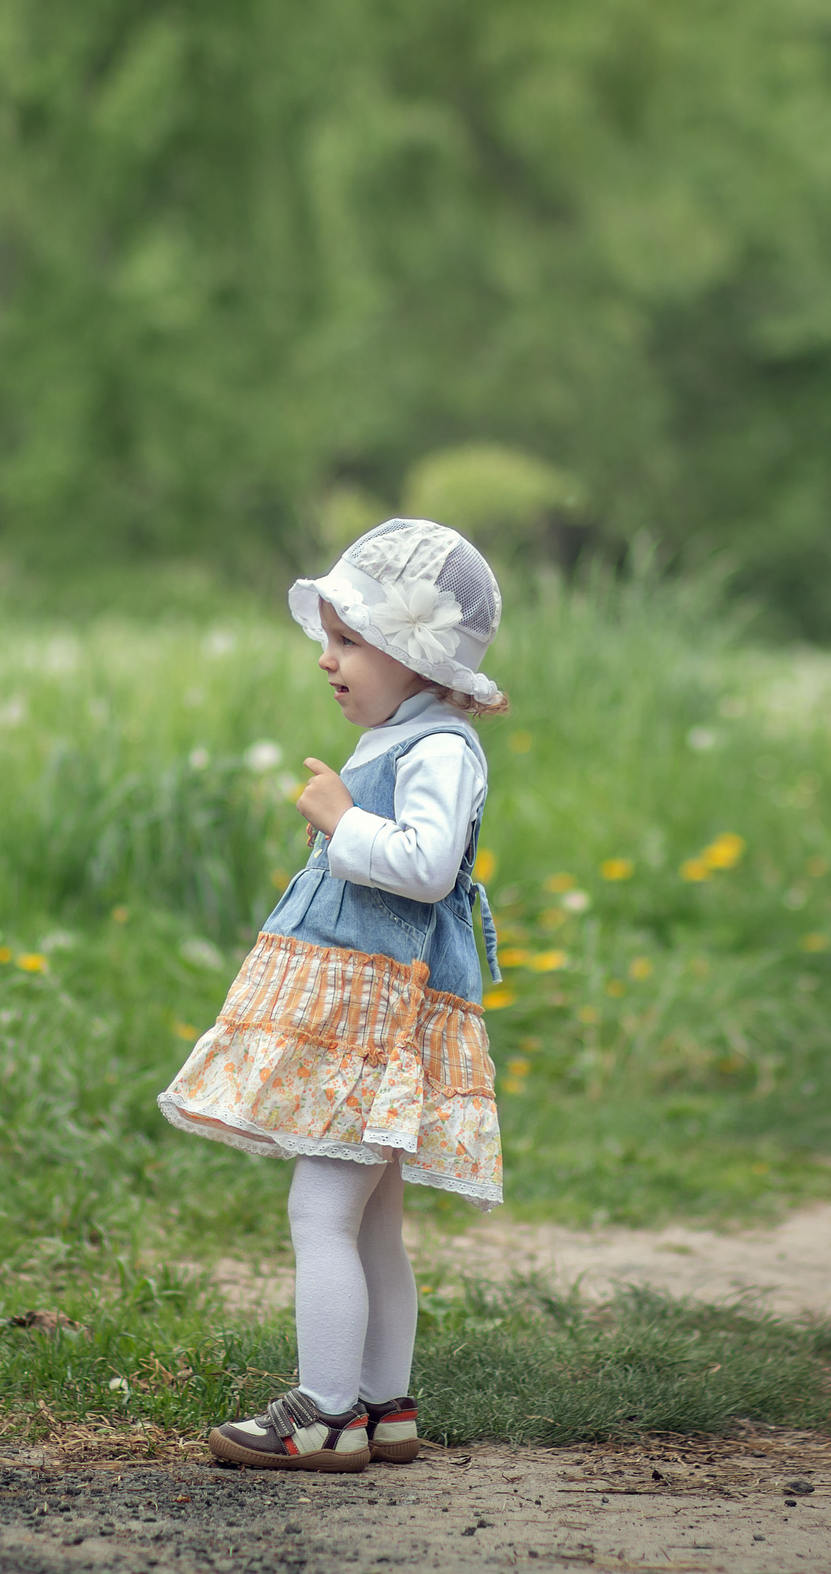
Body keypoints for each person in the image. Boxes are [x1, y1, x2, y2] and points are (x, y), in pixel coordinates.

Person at [160, 518, 509, 1472]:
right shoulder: (413, 737)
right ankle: (385, 1407)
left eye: (347, 640)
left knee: (321, 1214)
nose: (327, 659)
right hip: (369, 1011)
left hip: (376, 1021)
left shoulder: (438, 749)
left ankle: (322, 1411)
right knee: (373, 1220)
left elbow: (428, 868)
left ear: (413, 653)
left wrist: (343, 821)